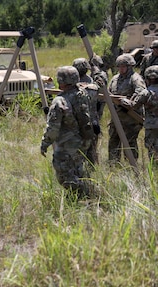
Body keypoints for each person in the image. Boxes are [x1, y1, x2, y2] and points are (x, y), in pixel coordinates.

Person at [40, 66, 95, 198]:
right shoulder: (83, 94)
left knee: (64, 175)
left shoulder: (59, 101)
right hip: (83, 140)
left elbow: (53, 127)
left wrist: (45, 143)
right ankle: (79, 198)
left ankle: (88, 193)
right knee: (78, 169)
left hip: (67, 144)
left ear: (61, 81)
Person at [108, 54, 147, 164]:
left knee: (130, 143)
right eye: (119, 66)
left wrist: (131, 103)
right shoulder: (115, 78)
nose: (121, 69)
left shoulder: (136, 79)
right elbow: (109, 92)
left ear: (130, 66)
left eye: (123, 66)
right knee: (113, 141)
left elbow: (141, 93)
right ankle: (113, 165)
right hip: (116, 117)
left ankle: (131, 166)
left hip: (131, 119)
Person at [120, 65, 158, 165]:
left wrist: (123, 101)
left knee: (152, 149)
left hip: (152, 126)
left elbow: (133, 105)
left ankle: (154, 168)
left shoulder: (146, 93)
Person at [72, 56, 107, 165]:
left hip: (78, 123)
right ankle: (90, 169)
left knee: (79, 150)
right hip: (91, 122)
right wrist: (96, 69)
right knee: (91, 150)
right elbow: (102, 82)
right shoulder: (92, 86)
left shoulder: (71, 85)